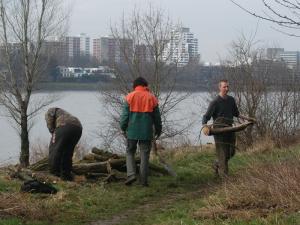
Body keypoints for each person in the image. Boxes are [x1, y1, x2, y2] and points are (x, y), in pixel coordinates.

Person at [120, 77, 162, 186]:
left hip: (132, 131)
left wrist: (123, 127)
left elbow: (124, 116)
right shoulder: (152, 98)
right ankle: (143, 181)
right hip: (146, 132)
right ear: (145, 86)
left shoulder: (129, 97)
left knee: (130, 152)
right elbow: (157, 117)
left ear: (135, 86)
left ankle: (131, 174)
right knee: (144, 155)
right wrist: (158, 129)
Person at [202, 79, 243, 177]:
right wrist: (205, 126)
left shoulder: (231, 100)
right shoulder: (215, 102)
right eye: (224, 87)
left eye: (228, 86)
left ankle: (216, 163)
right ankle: (225, 178)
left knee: (231, 152)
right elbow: (206, 116)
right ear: (220, 87)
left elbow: (236, 113)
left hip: (230, 129)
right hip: (219, 131)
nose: (227, 88)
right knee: (223, 154)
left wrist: (248, 120)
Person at [45, 107, 82, 181]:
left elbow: (50, 126)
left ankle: (54, 174)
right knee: (67, 152)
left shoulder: (49, 111)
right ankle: (66, 176)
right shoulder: (64, 113)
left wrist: (53, 133)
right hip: (78, 128)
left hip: (64, 125)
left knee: (54, 149)